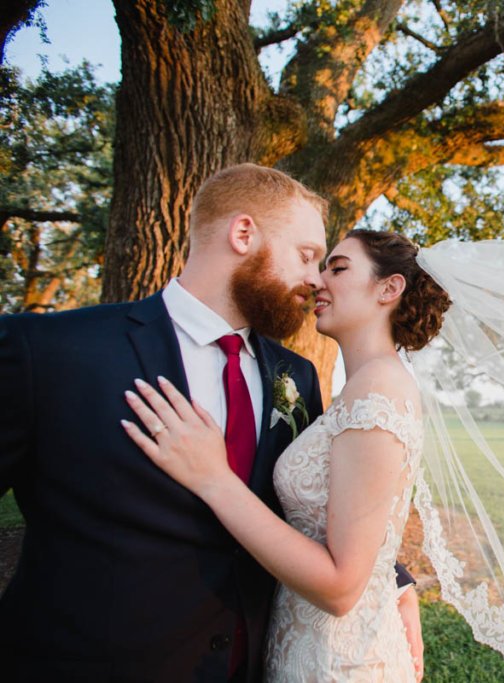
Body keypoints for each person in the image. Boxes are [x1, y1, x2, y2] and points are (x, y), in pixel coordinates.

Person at [0, 164, 420, 682]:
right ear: (243, 234)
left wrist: (394, 582)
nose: (315, 281)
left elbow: (328, 494)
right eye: (308, 256)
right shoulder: (51, 353)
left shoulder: (296, 375)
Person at [123, 229, 450, 681]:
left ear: (389, 289)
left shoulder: (379, 392)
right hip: (298, 645)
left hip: (338, 661)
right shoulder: (358, 387)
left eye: (337, 268)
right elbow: (355, 518)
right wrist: (397, 581)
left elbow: (340, 587)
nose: (317, 281)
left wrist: (213, 478)